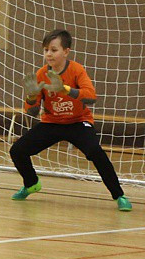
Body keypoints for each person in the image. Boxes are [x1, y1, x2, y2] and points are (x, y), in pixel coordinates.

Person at [10, 29, 132, 211]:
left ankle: (119, 195)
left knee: (95, 152)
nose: (49, 54)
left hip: (78, 122)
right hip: (52, 122)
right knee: (17, 151)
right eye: (46, 50)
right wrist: (31, 96)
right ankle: (31, 183)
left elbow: (91, 96)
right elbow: (32, 112)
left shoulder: (76, 70)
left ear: (66, 51)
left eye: (53, 49)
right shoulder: (41, 74)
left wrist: (65, 89)